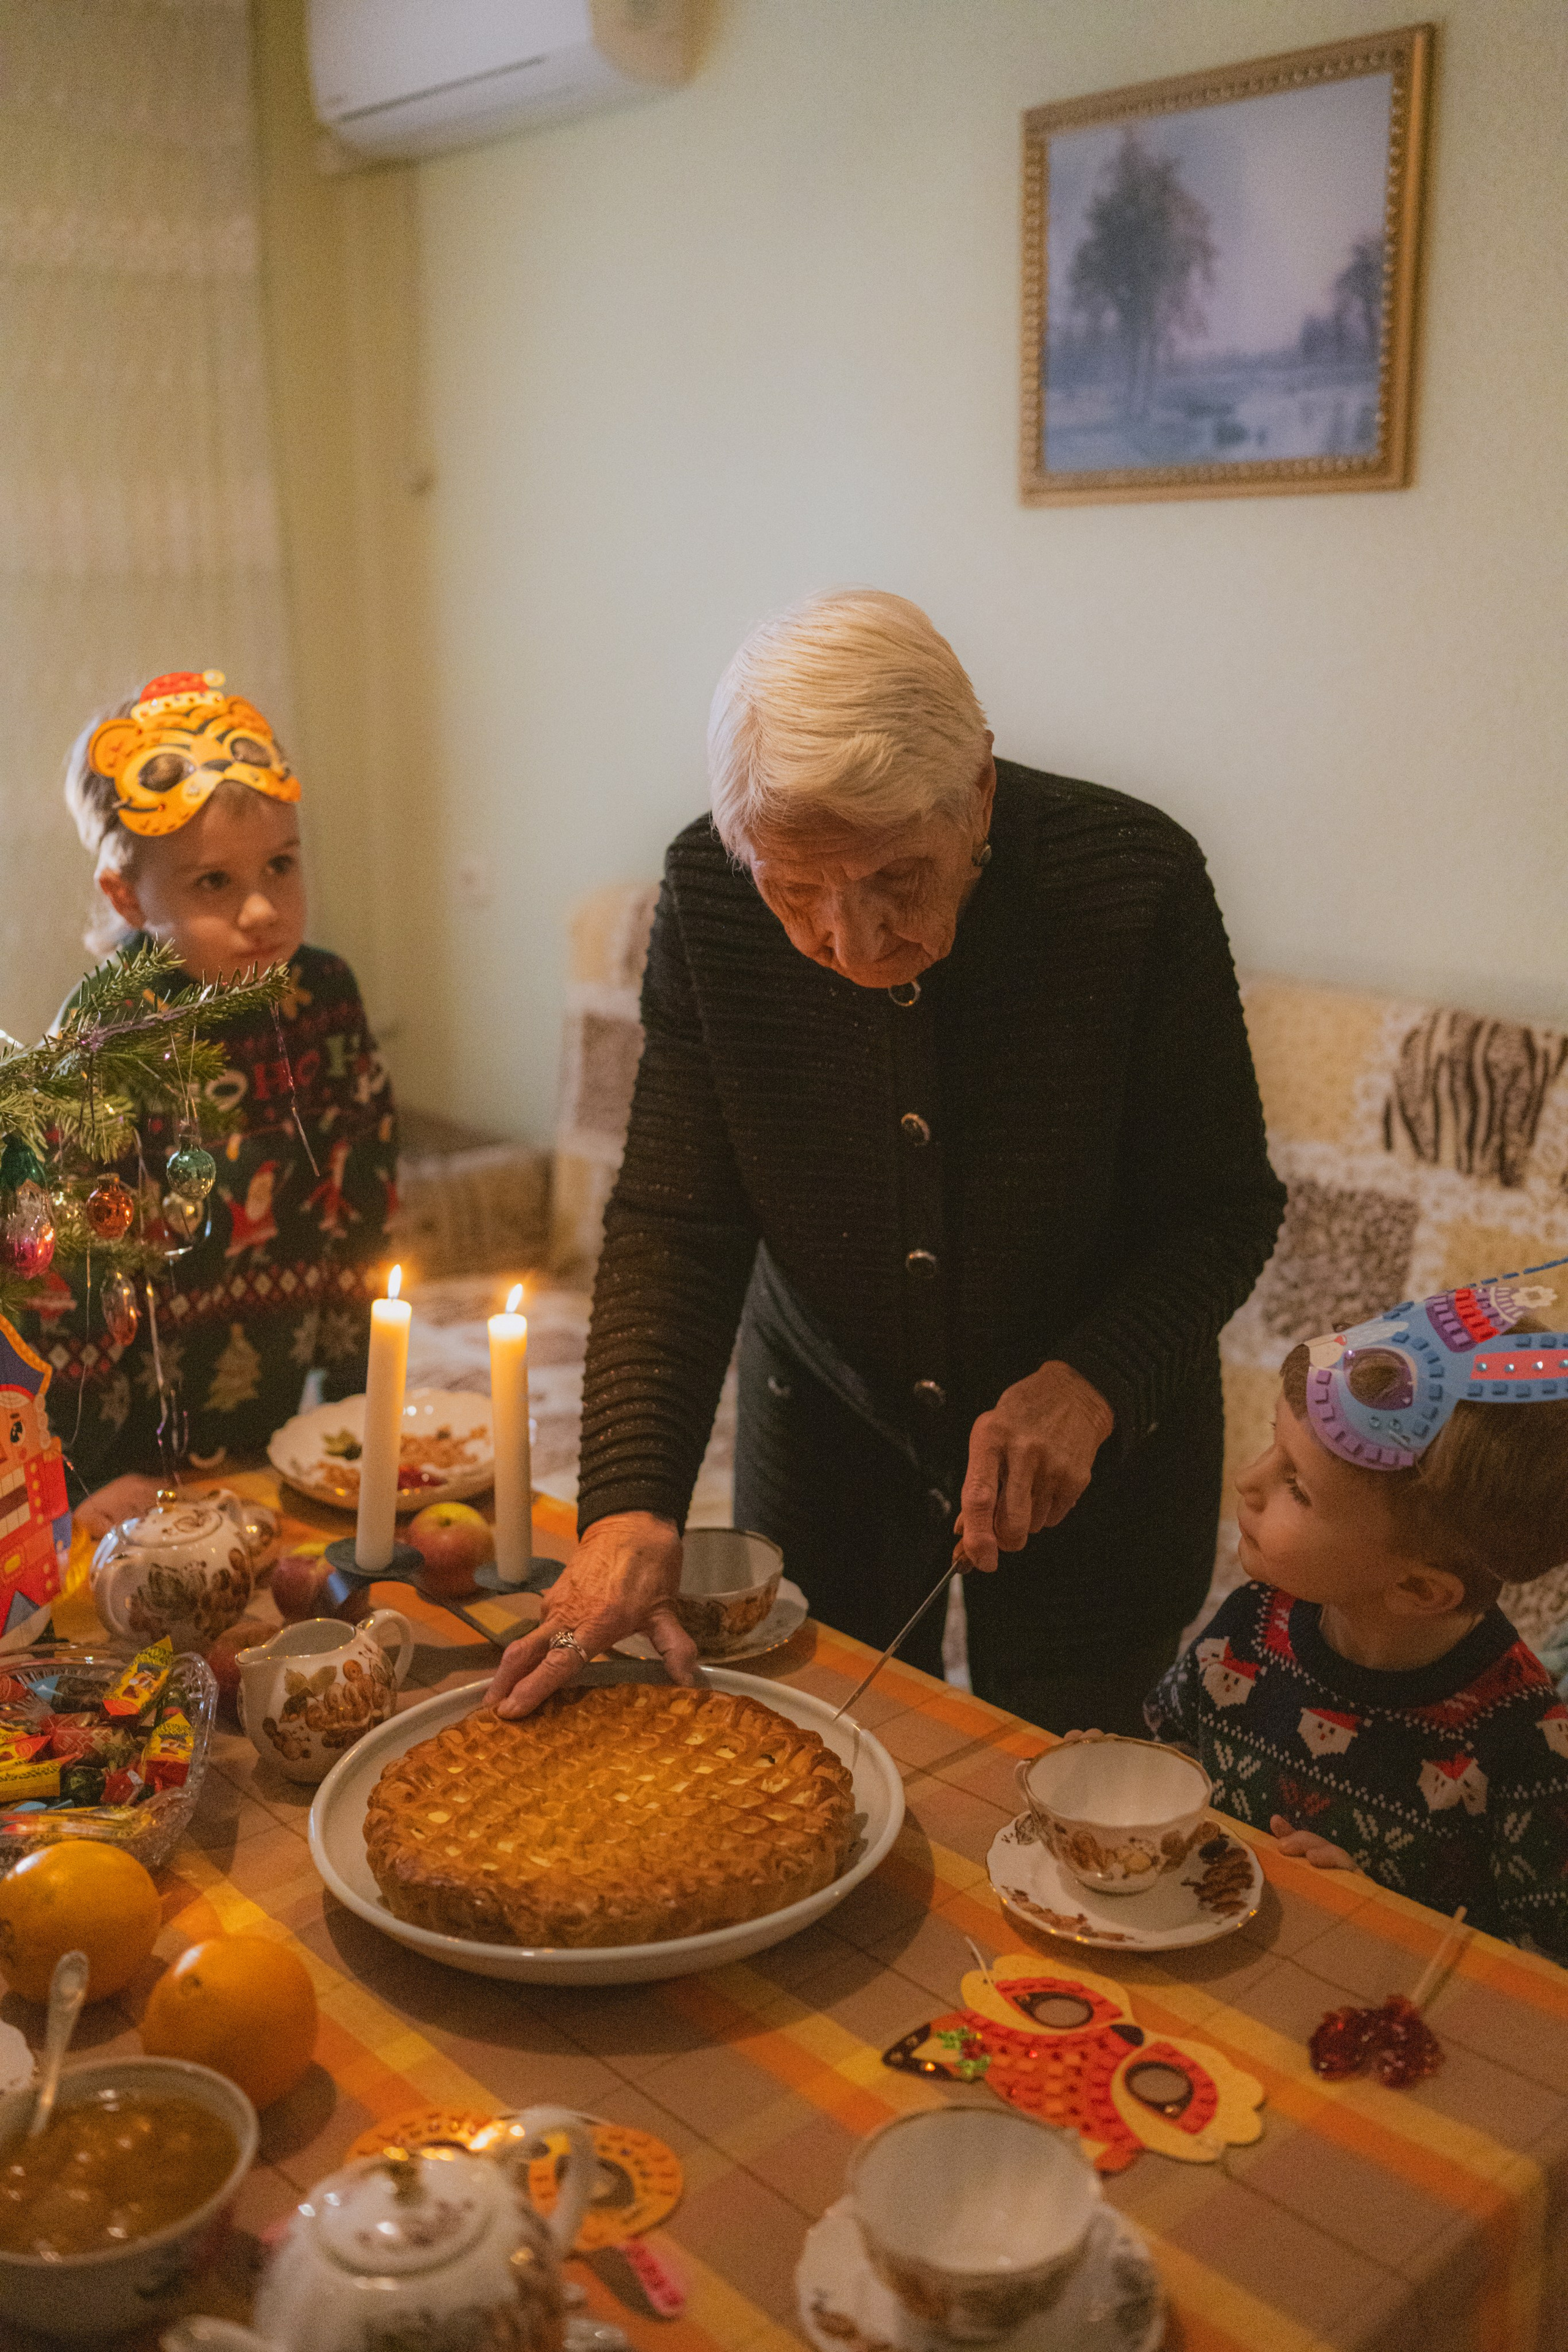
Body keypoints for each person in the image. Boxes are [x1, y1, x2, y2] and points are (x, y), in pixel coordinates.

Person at [489, 591, 1284, 1729]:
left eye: (898, 878)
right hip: (825, 1422)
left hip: (1098, 1452)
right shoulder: (710, 891)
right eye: (795, 888)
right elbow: (680, 1221)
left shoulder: (1133, 882)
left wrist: (1090, 1384)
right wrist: (627, 1503)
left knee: (1068, 1770)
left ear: (980, 791)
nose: (848, 941)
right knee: (810, 1754)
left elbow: (1223, 1210)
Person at [36, 669, 396, 1534]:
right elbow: (65, 1282)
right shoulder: (100, 1036)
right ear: (126, 895)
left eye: (280, 865)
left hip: (278, 1420)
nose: (262, 909)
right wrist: (87, 1476)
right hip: (132, 1451)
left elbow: (366, 1204)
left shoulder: (325, 996)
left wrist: (360, 1407)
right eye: (213, 883)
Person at [1127, 1271, 1568, 1956]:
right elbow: (1172, 1754)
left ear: (1418, 1589)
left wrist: (1376, 1923)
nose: (1248, 1480)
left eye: (1298, 1488)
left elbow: (1538, 1974)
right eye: (1273, 1442)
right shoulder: (1249, 1624)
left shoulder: (1528, 1748)